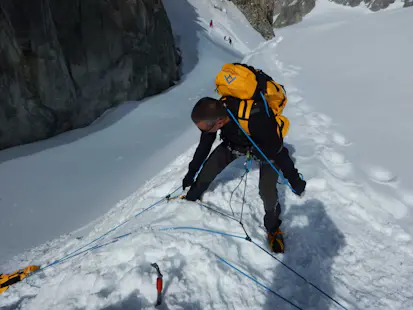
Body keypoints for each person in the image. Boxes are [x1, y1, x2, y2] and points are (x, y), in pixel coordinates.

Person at [182, 97, 306, 253]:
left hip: (265, 149)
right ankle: (191, 197)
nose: (203, 133)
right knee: (209, 168)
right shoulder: (214, 116)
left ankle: (273, 228)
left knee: (267, 191)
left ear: (219, 122)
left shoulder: (255, 118)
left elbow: (279, 152)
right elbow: (204, 147)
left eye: (204, 129)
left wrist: (295, 180)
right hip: (234, 145)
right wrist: (191, 173)